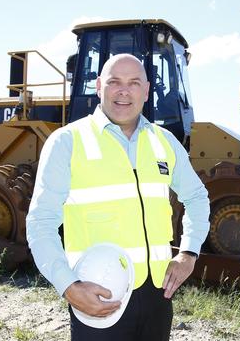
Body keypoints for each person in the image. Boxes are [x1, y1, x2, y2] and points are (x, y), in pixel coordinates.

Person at [26, 54, 209, 341]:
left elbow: (197, 197)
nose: (124, 91)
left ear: (147, 91)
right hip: (98, 292)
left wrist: (189, 253)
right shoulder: (67, 141)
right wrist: (69, 286)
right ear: (99, 86)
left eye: (134, 83)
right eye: (114, 82)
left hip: (158, 296)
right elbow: (41, 222)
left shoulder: (164, 141)